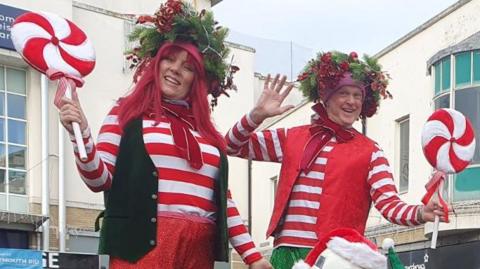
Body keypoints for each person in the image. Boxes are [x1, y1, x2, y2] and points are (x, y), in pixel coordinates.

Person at [59, 1, 271, 268]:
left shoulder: (206, 133)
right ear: (156, 63)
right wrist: (81, 135)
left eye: (188, 66)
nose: (175, 69)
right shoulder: (126, 112)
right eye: (169, 59)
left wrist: (253, 257)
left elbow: (223, 203)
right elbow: (98, 179)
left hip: (198, 251)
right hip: (141, 248)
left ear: (198, 79)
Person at [225, 51, 448, 269]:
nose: (351, 101)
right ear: (326, 96)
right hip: (287, 254)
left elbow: (389, 204)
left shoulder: (371, 152)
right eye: (344, 93)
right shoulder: (292, 137)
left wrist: (421, 212)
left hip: (337, 257)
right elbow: (231, 145)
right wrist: (256, 116)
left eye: (357, 95)